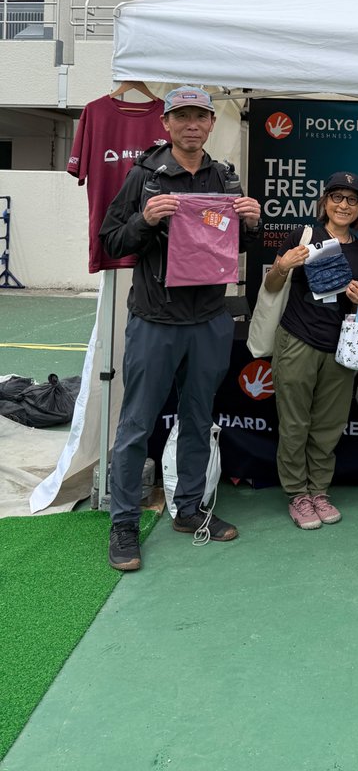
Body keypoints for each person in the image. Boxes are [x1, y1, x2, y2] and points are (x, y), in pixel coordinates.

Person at [100, 86, 262, 571]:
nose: (191, 125)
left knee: (198, 418)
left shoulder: (226, 178)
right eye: (182, 117)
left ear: (212, 124)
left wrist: (252, 224)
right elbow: (110, 241)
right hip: (155, 319)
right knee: (135, 425)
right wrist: (145, 221)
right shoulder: (144, 176)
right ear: (166, 125)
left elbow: (232, 247)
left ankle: (189, 509)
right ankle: (123, 524)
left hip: (209, 319)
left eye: (200, 116)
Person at [266, 172, 358, 530]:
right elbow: (271, 283)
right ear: (325, 202)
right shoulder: (303, 235)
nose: (344, 205)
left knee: (328, 426)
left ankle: (319, 491)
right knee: (295, 423)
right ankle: (297, 494)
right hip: (297, 339)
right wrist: (282, 265)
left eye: (352, 199)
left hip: (340, 348)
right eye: (337, 198)